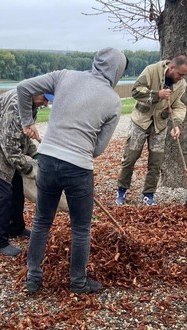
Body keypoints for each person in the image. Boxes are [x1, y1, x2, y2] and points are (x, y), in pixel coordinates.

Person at [16, 47, 128, 294]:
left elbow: (24, 87)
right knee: (80, 228)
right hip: (78, 167)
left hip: (47, 160)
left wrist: (27, 122)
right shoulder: (113, 101)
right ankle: (78, 282)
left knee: (42, 221)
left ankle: (33, 278)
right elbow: (97, 149)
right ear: (118, 71)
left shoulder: (64, 76)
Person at [0, 89, 53, 257]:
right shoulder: (15, 106)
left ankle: (15, 228)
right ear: (36, 90)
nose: (46, 103)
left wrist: (35, 154)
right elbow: (10, 148)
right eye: (45, 98)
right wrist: (30, 168)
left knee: (17, 190)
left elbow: (24, 136)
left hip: (7, 152)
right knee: (3, 197)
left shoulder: (30, 103)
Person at [116, 55, 187, 206]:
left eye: (184, 75)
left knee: (156, 162)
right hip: (140, 122)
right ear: (171, 68)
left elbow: (178, 106)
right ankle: (121, 191)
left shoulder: (181, 85)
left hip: (160, 125)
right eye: (180, 74)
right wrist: (157, 94)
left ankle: (148, 194)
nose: (182, 78)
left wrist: (176, 124)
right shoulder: (152, 71)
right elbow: (135, 91)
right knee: (130, 159)